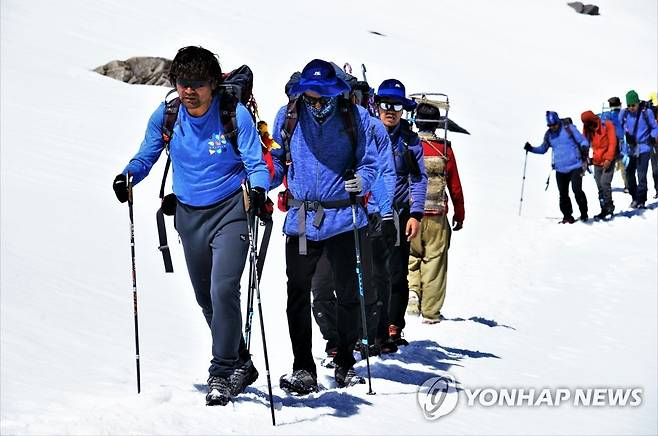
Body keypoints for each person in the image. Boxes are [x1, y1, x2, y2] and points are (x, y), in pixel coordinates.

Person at [112, 46, 270, 406]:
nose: (189, 91)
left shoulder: (234, 114)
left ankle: (221, 371)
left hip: (231, 211)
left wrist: (258, 190)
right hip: (188, 216)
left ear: (213, 84)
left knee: (223, 288)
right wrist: (129, 176)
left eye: (197, 84)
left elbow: (255, 161)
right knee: (206, 299)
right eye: (183, 83)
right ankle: (241, 362)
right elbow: (147, 155)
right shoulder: (167, 115)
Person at [270, 59, 378, 394]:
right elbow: (276, 159)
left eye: (323, 96)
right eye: (311, 96)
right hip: (302, 221)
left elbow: (370, 161)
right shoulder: (287, 114)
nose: (316, 102)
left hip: (344, 218)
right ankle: (303, 368)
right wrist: (264, 181)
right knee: (297, 296)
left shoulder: (354, 116)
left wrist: (362, 181)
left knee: (347, 293)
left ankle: (345, 362)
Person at [375, 79, 427, 346]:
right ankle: (373, 324)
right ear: (376, 105)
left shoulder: (410, 141)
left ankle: (393, 324)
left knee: (396, 272)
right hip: (370, 215)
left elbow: (419, 179)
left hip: (398, 215)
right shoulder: (366, 135)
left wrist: (416, 215)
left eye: (396, 105)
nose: (390, 110)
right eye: (385, 104)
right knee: (371, 272)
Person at [408, 102, 464, 324]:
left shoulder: (409, 145)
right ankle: (431, 312)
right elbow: (455, 187)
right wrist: (459, 214)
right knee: (434, 261)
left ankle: (411, 293)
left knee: (410, 257)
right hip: (436, 214)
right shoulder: (444, 149)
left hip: (412, 213)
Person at [524, 111, 590, 223]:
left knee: (577, 190)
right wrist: (531, 149)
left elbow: (583, 140)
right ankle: (567, 216)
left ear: (558, 121)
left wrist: (584, 147)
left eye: (554, 124)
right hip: (560, 169)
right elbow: (543, 149)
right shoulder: (549, 135)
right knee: (563, 194)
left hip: (575, 166)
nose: (552, 127)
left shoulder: (569, 129)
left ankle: (584, 214)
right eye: (550, 125)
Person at [619, 90, 658, 208]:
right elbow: (620, 128)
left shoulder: (647, 113)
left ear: (637, 102)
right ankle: (634, 197)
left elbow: (654, 127)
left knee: (641, 175)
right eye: (629, 105)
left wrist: (652, 137)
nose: (631, 107)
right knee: (629, 174)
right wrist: (626, 136)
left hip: (644, 147)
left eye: (633, 105)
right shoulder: (623, 114)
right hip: (630, 149)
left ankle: (641, 200)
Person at [581, 110, 617, 219]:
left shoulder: (607, 125)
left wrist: (609, 159)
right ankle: (604, 209)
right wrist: (584, 155)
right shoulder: (587, 128)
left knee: (605, 183)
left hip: (608, 159)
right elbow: (584, 142)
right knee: (600, 187)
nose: (589, 126)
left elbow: (612, 143)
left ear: (593, 120)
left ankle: (609, 206)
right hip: (597, 160)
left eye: (590, 123)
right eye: (587, 124)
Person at [599, 96, 628, 192]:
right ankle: (627, 185)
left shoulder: (605, 115)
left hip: (610, 144)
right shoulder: (624, 114)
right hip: (622, 144)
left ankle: (606, 185)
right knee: (624, 165)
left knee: (610, 166)